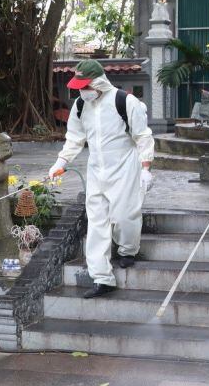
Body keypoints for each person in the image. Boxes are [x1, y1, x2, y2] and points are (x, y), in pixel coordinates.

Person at [49, 60, 154, 299]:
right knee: (96, 223)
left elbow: (142, 136)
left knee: (124, 215)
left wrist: (145, 167)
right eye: (79, 87)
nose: (82, 91)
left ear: (98, 82)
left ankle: (128, 249)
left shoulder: (125, 102)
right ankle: (102, 277)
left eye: (85, 86)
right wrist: (61, 163)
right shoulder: (79, 106)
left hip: (125, 167)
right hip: (96, 169)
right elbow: (74, 139)